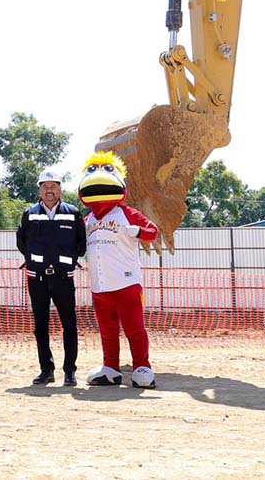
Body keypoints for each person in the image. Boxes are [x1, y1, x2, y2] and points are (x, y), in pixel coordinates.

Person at [78, 151, 160, 389]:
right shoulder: (88, 219)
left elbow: (153, 232)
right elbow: (76, 242)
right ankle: (111, 368)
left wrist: (138, 232)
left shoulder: (126, 213)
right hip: (99, 285)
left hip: (127, 283)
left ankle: (142, 367)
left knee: (134, 328)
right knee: (107, 331)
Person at [16, 169, 86, 386]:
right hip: (36, 278)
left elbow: (81, 244)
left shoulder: (73, 213)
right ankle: (46, 370)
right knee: (41, 326)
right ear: (39, 189)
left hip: (64, 278)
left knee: (69, 324)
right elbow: (21, 242)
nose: (49, 190)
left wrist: (66, 260)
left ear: (60, 189)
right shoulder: (30, 213)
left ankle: (69, 372)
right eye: (45, 186)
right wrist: (35, 260)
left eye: (53, 186)